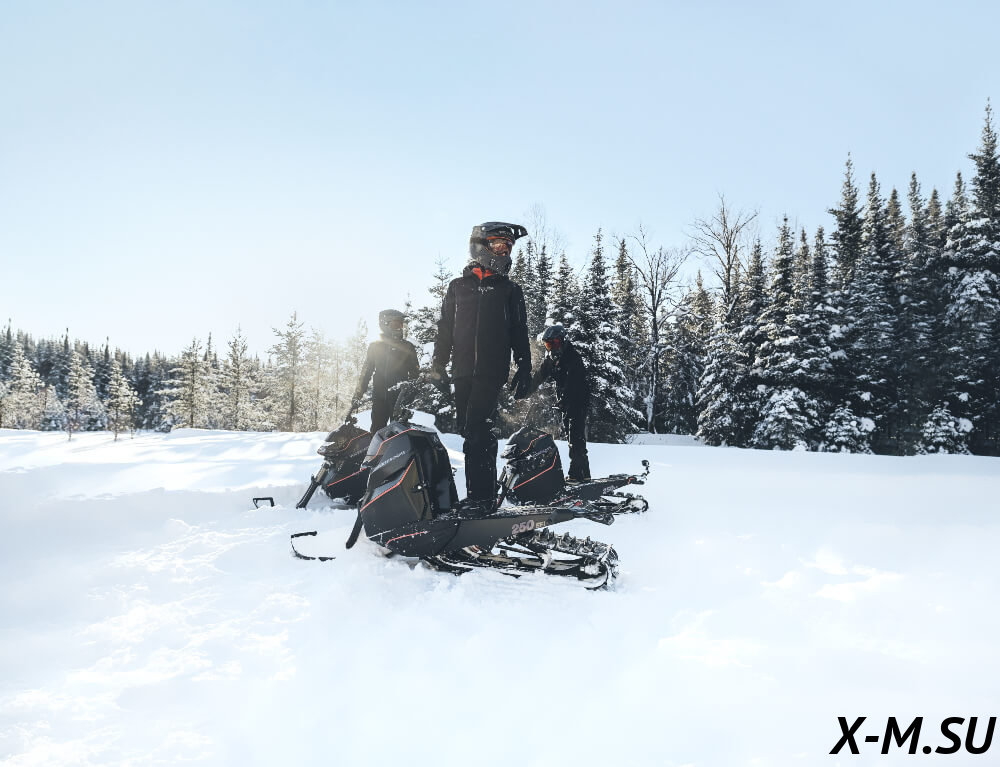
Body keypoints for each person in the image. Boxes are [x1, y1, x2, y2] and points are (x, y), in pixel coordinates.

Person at [431, 222, 533, 506]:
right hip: (462, 370)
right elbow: (445, 328)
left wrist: (524, 366)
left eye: (508, 248)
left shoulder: (510, 290)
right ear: (480, 246)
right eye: (499, 246)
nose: (504, 252)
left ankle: (481, 499)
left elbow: (519, 330)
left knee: (478, 429)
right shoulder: (457, 287)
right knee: (469, 431)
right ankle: (479, 494)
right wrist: (438, 364)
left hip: (491, 371)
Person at [532, 324, 591, 482]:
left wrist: (564, 400)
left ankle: (576, 474)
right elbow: (539, 376)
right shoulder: (551, 359)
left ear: (563, 341)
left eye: (555, 343)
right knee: (573, 437)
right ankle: (585, 473)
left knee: (576, 437)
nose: (552, 347)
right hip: (566, 402)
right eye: (548, 344)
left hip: (578, 400)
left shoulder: (573, 358)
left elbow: (574, 383)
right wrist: (523, 391)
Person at [352, 309, 420, 431]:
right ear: (385, 324)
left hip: (399, 398)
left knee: (398, 433)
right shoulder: (375, 346)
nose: (399, 328)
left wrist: (409, 394)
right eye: (396, 324)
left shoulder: (408, 346)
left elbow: (415, 374)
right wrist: (358, 395)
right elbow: (366, 372)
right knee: (377, 431)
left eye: (401, 324)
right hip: (379, 397)